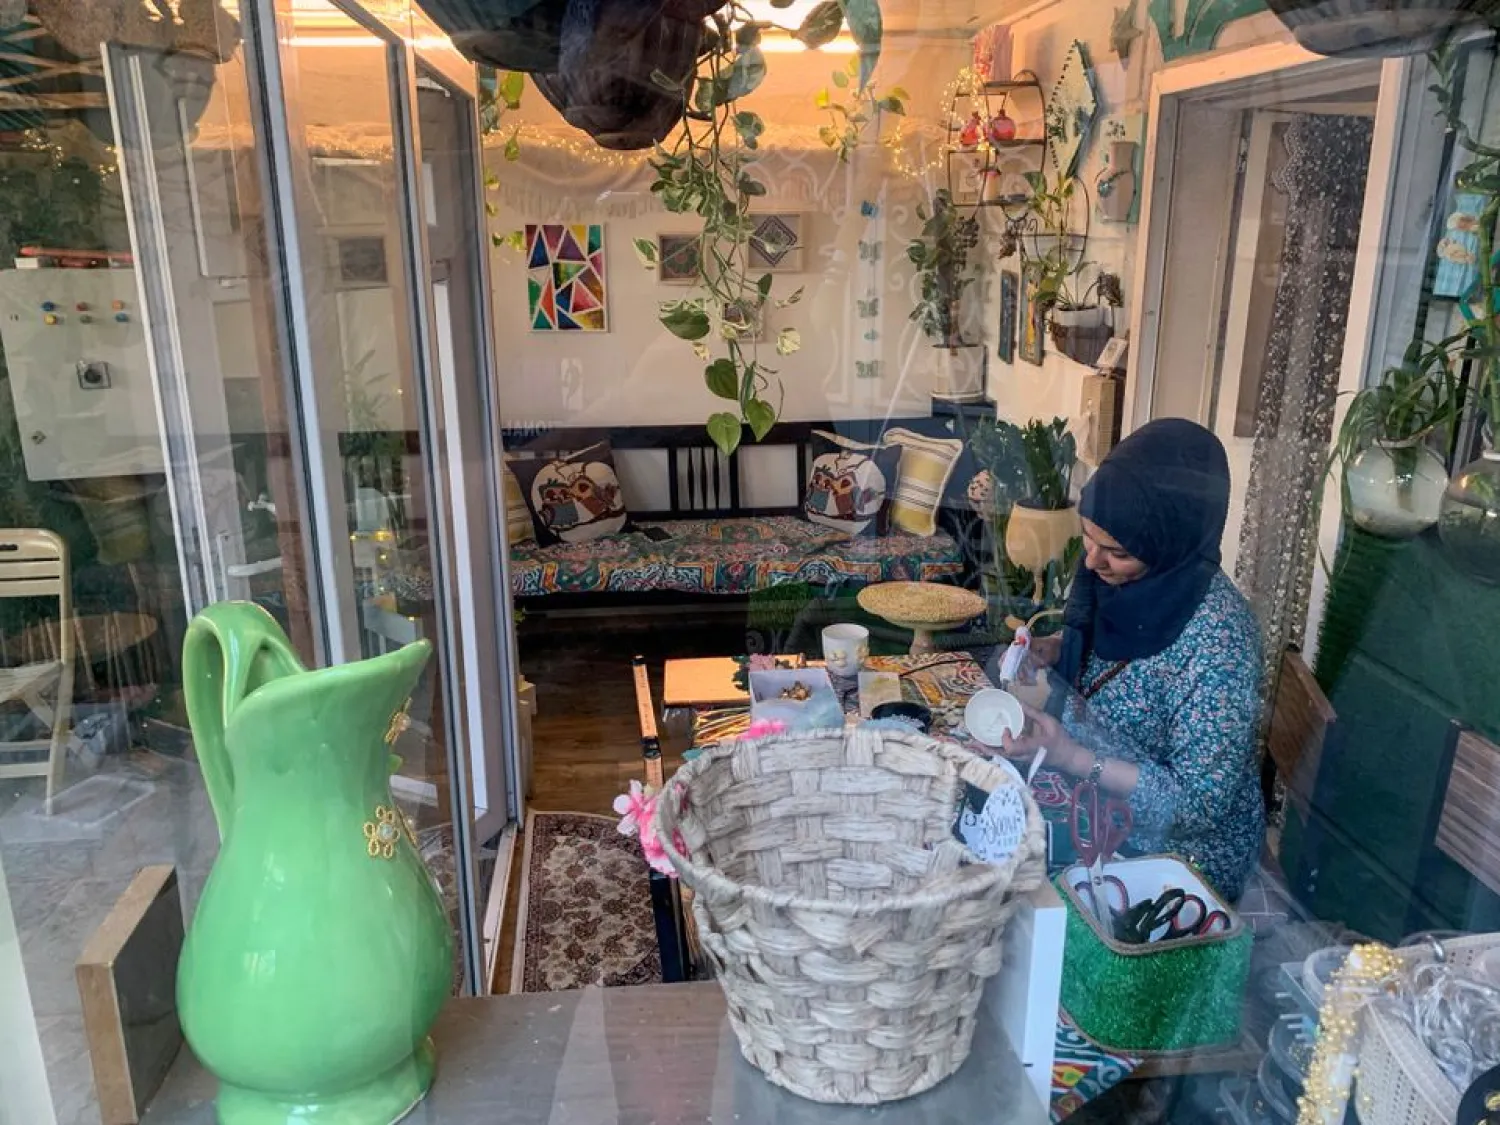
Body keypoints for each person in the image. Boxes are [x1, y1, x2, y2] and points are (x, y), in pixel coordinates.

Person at [1000, 418, 1266, 902]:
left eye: (1116, 551)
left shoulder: (1220, 643)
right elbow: (1126, 654)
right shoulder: (1130, 585)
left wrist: (1073, 758)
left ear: (1171, 541)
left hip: (1174, 861)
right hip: (1094, 807)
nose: (1092, 562)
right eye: (1088, 537)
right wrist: (1057, 647)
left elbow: (1197, 805)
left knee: (1001, 879)